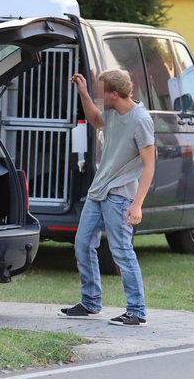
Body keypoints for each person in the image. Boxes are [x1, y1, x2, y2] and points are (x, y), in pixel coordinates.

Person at [59, 69, 156, 327]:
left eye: (101, 91)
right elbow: (95, 119)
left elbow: (149, 165)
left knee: (122, 252)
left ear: (115, 94)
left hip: (121, 196)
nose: (99, 94)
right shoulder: (112, 112)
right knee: (82, 244)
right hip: (98, 191)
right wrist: (84, 94)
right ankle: (91, 303)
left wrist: (137, 204)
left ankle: (137, 311)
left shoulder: (141, 120)